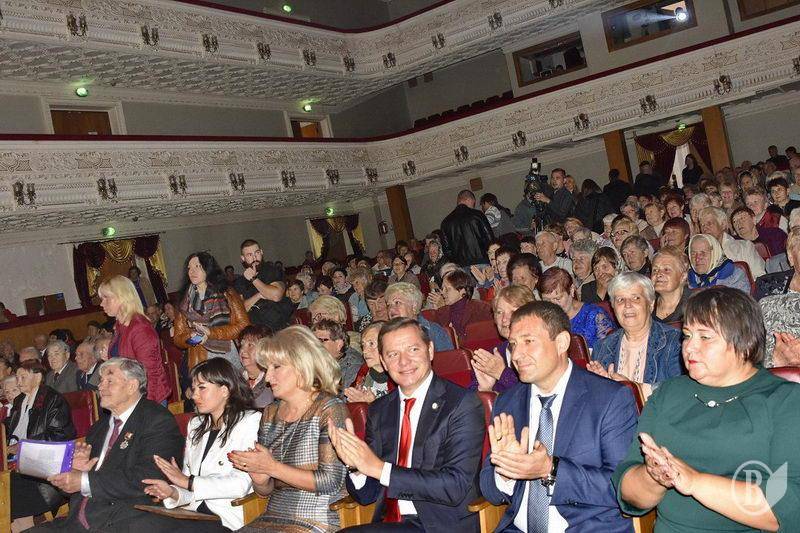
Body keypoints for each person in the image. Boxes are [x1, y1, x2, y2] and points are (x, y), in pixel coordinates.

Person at [613, 287, 800, 532]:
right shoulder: (669, 393)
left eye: (705, 337)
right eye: (687, 335)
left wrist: (694, 482)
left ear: (744, 342)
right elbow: (628, 494)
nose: (689, 347)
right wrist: (654, 477)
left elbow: (788, 509)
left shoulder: (786, 400)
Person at [479, 301, 639, 532]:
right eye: (513, 344)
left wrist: (550, 470)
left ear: (562, 342)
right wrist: (507, 472)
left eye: (528, 341)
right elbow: (488, 488)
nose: (517, 355)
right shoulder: (507, 401)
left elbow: (623, 487)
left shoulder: (609, 399)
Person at [329, 318, 485, 531]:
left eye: (413, 349)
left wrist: (380, 469)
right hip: (389, 523)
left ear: (430, 350)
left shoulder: (461, 404)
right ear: (384, 363)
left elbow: (455, 485)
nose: (404, 362)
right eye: (393, 354)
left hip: (438, 525)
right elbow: (366, 495)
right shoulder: (380, 410)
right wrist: (356, 465)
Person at [31, 358, 184, 533]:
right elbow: (77, 488)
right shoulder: (99, 427)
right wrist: (73, 473)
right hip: (77, 521)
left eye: (109, 381)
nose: (100, 387)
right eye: (101, 381)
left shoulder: (156, 420)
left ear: (132, 386)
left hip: (122, 520)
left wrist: (84, 480)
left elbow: (149, 478)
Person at [228, 326, 349, 532]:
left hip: (316, 519)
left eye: (276, 367)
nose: (268, 378)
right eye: (267, 368)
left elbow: (331, 482)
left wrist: (272, 467)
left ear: (302, 365)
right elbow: (266, 492)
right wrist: (260, 479)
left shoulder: (329, 408)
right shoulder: (270, 413)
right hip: (272, 518)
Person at [130, 358, 261, 532]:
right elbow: (188, 485)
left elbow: (240, 485)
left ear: (224, 390)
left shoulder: (249, 421)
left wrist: (189, 482)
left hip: (226, 518)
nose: (194, 395)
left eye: (202, 388)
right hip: (194, 514)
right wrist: (172, 492)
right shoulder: (196, 425)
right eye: (193, 389)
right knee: (136, 521)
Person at [589, 272, 683, 399]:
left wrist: (634, 389)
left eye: (636, 298)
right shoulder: (602, 347)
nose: (627, 305)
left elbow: (681, 391)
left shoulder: (675, 342)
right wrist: (603, 386)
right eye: (620, 300)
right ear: (613, 307)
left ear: (651, 304)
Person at [7, 360, 76, 529]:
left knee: (9, 491)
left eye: (23, 377)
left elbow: (61, 437)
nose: (19, 381)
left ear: (38, 377)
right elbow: (9, 429)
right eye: (17, 377)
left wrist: (24, 447)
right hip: (15, 463)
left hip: (42, 471)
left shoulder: (53, 400)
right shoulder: (19, 400)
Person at [98, 275, 171, 404]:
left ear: (122, 297)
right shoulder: (120, 325)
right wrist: (110, 358)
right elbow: (127, 362)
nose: (102, 303)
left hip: (147, 398)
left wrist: (146, 405)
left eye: (106, 298)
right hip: (130, 396)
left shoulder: (140, 328)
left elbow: (150, 372)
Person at [173, 252, 250, 369]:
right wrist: (191, 336)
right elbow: (178, 338)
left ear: (208, 269)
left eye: (197, 266)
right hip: (200, 357)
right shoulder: (184, 300)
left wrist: (210, 332)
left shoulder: (226, 293)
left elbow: (243, 325)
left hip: (227, 354)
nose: (192, 271)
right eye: (189, 268)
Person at [470, 285, 535, 393]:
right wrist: (485, 390)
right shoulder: (491, 357)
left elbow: (537, 394)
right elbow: (470, 396)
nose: (504, 319)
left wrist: (502, 373)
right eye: (499, 312)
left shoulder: (541, 352)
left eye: (513, 312)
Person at [538, 267, 615, 349]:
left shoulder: (595, 315)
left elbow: (610, 350)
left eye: (558, 298)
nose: (552, 305)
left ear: (571, 290)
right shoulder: (543, 320)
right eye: (546, 300)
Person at [233, 239, 294, 332]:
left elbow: (276, 296)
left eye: (257, 253)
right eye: (249, 255)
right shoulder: (240, 281)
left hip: (278, 326)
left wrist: (253, 279)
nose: (254, 258)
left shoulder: (273, 270)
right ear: (243, 258)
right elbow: (242, 309)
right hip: (256, 330)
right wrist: (259, 295)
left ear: (261, 252)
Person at [426, 269, 493, 344]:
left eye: (447, 289)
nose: (443, 292)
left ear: (462, 291)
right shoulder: (441, 312)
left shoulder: (481, 309)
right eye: (442, 289)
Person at [698, 206, 766, 279]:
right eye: (702, 225)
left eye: (709, 224)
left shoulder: (744, 247)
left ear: (723, 224)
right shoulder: (698, 254)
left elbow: (761, 277)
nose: (704, 228)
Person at [385, 282, 454, 351]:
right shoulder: (386, 335)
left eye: (397, 302)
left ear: (414, 306)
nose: (391, 309)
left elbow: (448, 357)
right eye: (388, 305)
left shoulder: (434, 332)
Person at [440, 189, 495, 267]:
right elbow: (490, 239)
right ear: (469, 200)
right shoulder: (478, 215)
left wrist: (456, 263)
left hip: (461, 266)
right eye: (473, 203)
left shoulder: (446, 222)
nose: (473, 206)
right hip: (481, 261)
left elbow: (447, 250)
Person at [344, 321, 392, 404]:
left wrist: (373, 404)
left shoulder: (400, 376)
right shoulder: (363, 371)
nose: (365, 351)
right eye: (363, 345)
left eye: (371, 344)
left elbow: (403, 410)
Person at [312, 319, 364, 390]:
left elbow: (344, 395)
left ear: (339, 344)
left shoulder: (353, 365)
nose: (315, 345)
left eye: (321, 340)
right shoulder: (312, 359)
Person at [651, 246, 691, 323]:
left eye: (666, 269)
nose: (658, 274)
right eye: (655, 270)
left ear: (683, 276)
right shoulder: (645, 304)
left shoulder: (697, 306)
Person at [238, 325, 274, 409]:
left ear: (264, 350)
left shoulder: (272, 381)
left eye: (250, 345)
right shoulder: (233, 378)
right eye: (242, 344)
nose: (243, 350)